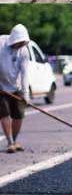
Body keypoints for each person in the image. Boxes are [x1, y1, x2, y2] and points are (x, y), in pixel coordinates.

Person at [0, 25, 31, 154]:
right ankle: (10, 142)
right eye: (19, 42)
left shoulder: (24, 51)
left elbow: (25, 73)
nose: (21, 44)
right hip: (0, 88)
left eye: (23, 42)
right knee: (4, 113)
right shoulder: (0, 45)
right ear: (13, 39)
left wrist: (25, 94)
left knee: (19, 115)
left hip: (16, 86)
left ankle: (14, 140)